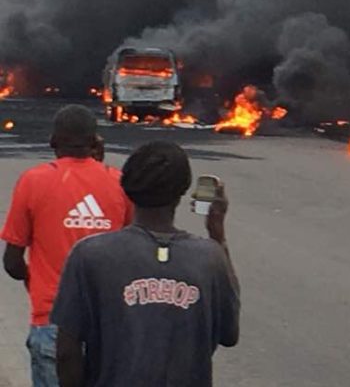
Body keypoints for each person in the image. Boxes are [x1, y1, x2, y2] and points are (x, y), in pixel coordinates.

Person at [52, 141, 240, 387]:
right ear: (183, 190)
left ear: (127, 187)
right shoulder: (210, 257)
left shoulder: (89, 254)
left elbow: (67, 351)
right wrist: (218, 235)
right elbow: (229, 333)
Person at [1, 105, 131, 387]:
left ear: (52, 141)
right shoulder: (120, 183)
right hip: (107, 326)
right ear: (95, 141)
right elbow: (132, 247)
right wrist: (101, 167)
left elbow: (11, 262)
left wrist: (32, 279)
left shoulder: (33, 181)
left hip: (52, 323)